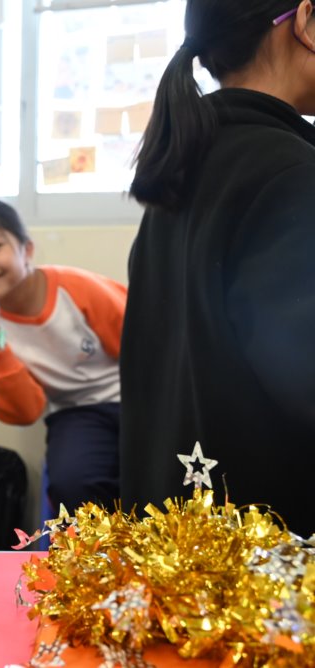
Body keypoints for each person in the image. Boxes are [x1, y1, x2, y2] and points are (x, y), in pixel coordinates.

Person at [122, 0, 315, 535]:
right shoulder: (290, 172)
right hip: (268, 551)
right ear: (304, 22)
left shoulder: (186, 166)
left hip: (174, 541)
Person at [0, 198, 126, 514]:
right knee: (73, 484)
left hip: (143, 399)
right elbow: (24, 412)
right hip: (78, 412)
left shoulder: (77, 289)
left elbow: (152, 349)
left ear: (26, 250)